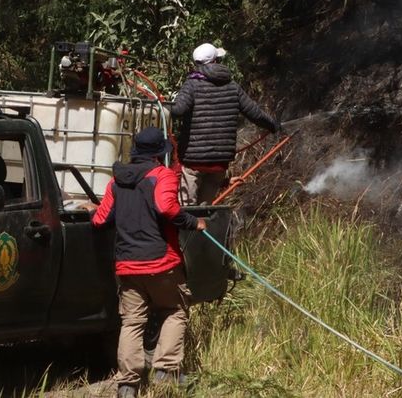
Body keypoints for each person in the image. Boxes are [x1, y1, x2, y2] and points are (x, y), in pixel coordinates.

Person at [86, 127, 207, 398]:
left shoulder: (115, 182)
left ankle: (128, 385)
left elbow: (99, 221)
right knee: (174, 311)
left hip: (127, 265)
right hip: (161, 262)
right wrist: (193, 222)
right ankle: (166, 371)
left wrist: (93, 208)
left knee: (132, 322)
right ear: (157, 155)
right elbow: (167, 207)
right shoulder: (161, 175)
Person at [171, 42, 279, 205]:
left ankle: (187, 229)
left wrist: (165, 105)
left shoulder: (192, 84)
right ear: (216, 61)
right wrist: (273, 125)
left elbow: (177, 110)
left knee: (187, 211)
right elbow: (254, 113)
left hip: (194, 160)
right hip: (220, 163)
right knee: (205, 208)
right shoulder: (232, 86)